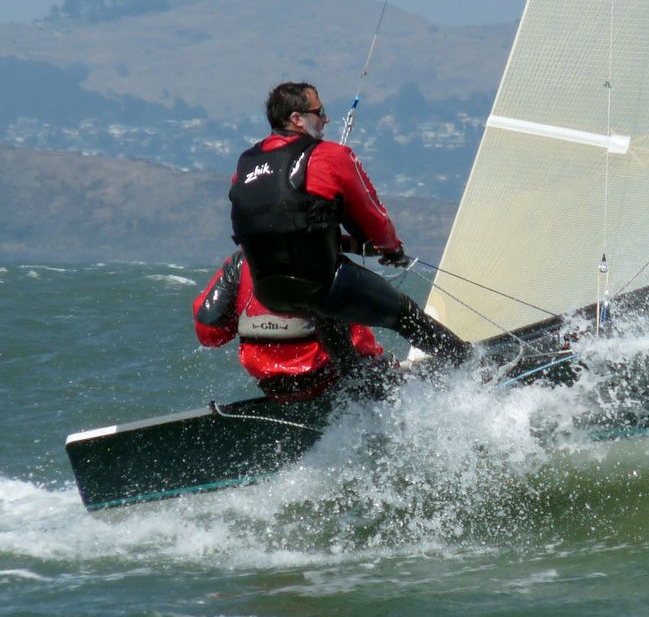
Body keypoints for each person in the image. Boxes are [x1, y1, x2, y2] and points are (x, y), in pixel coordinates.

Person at [228, 81, 471, 366]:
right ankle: (470, 365)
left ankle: (354, 381)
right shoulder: (329, 156)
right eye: (320, 112)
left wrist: (343, 243)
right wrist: (391, 250)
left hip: (271, 293)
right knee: (403, 313)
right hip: (324, 285)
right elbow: (373, 221)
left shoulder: (245, 165)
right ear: (297, 119)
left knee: (326, 312)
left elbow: (284, 231)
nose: (327, 119)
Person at [193, 249, 388, 400]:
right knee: (345, 312)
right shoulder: (321, 255)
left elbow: (208, 332)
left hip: (271, 385)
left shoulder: (240, 261)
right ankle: (380, 380)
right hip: (324, 378)